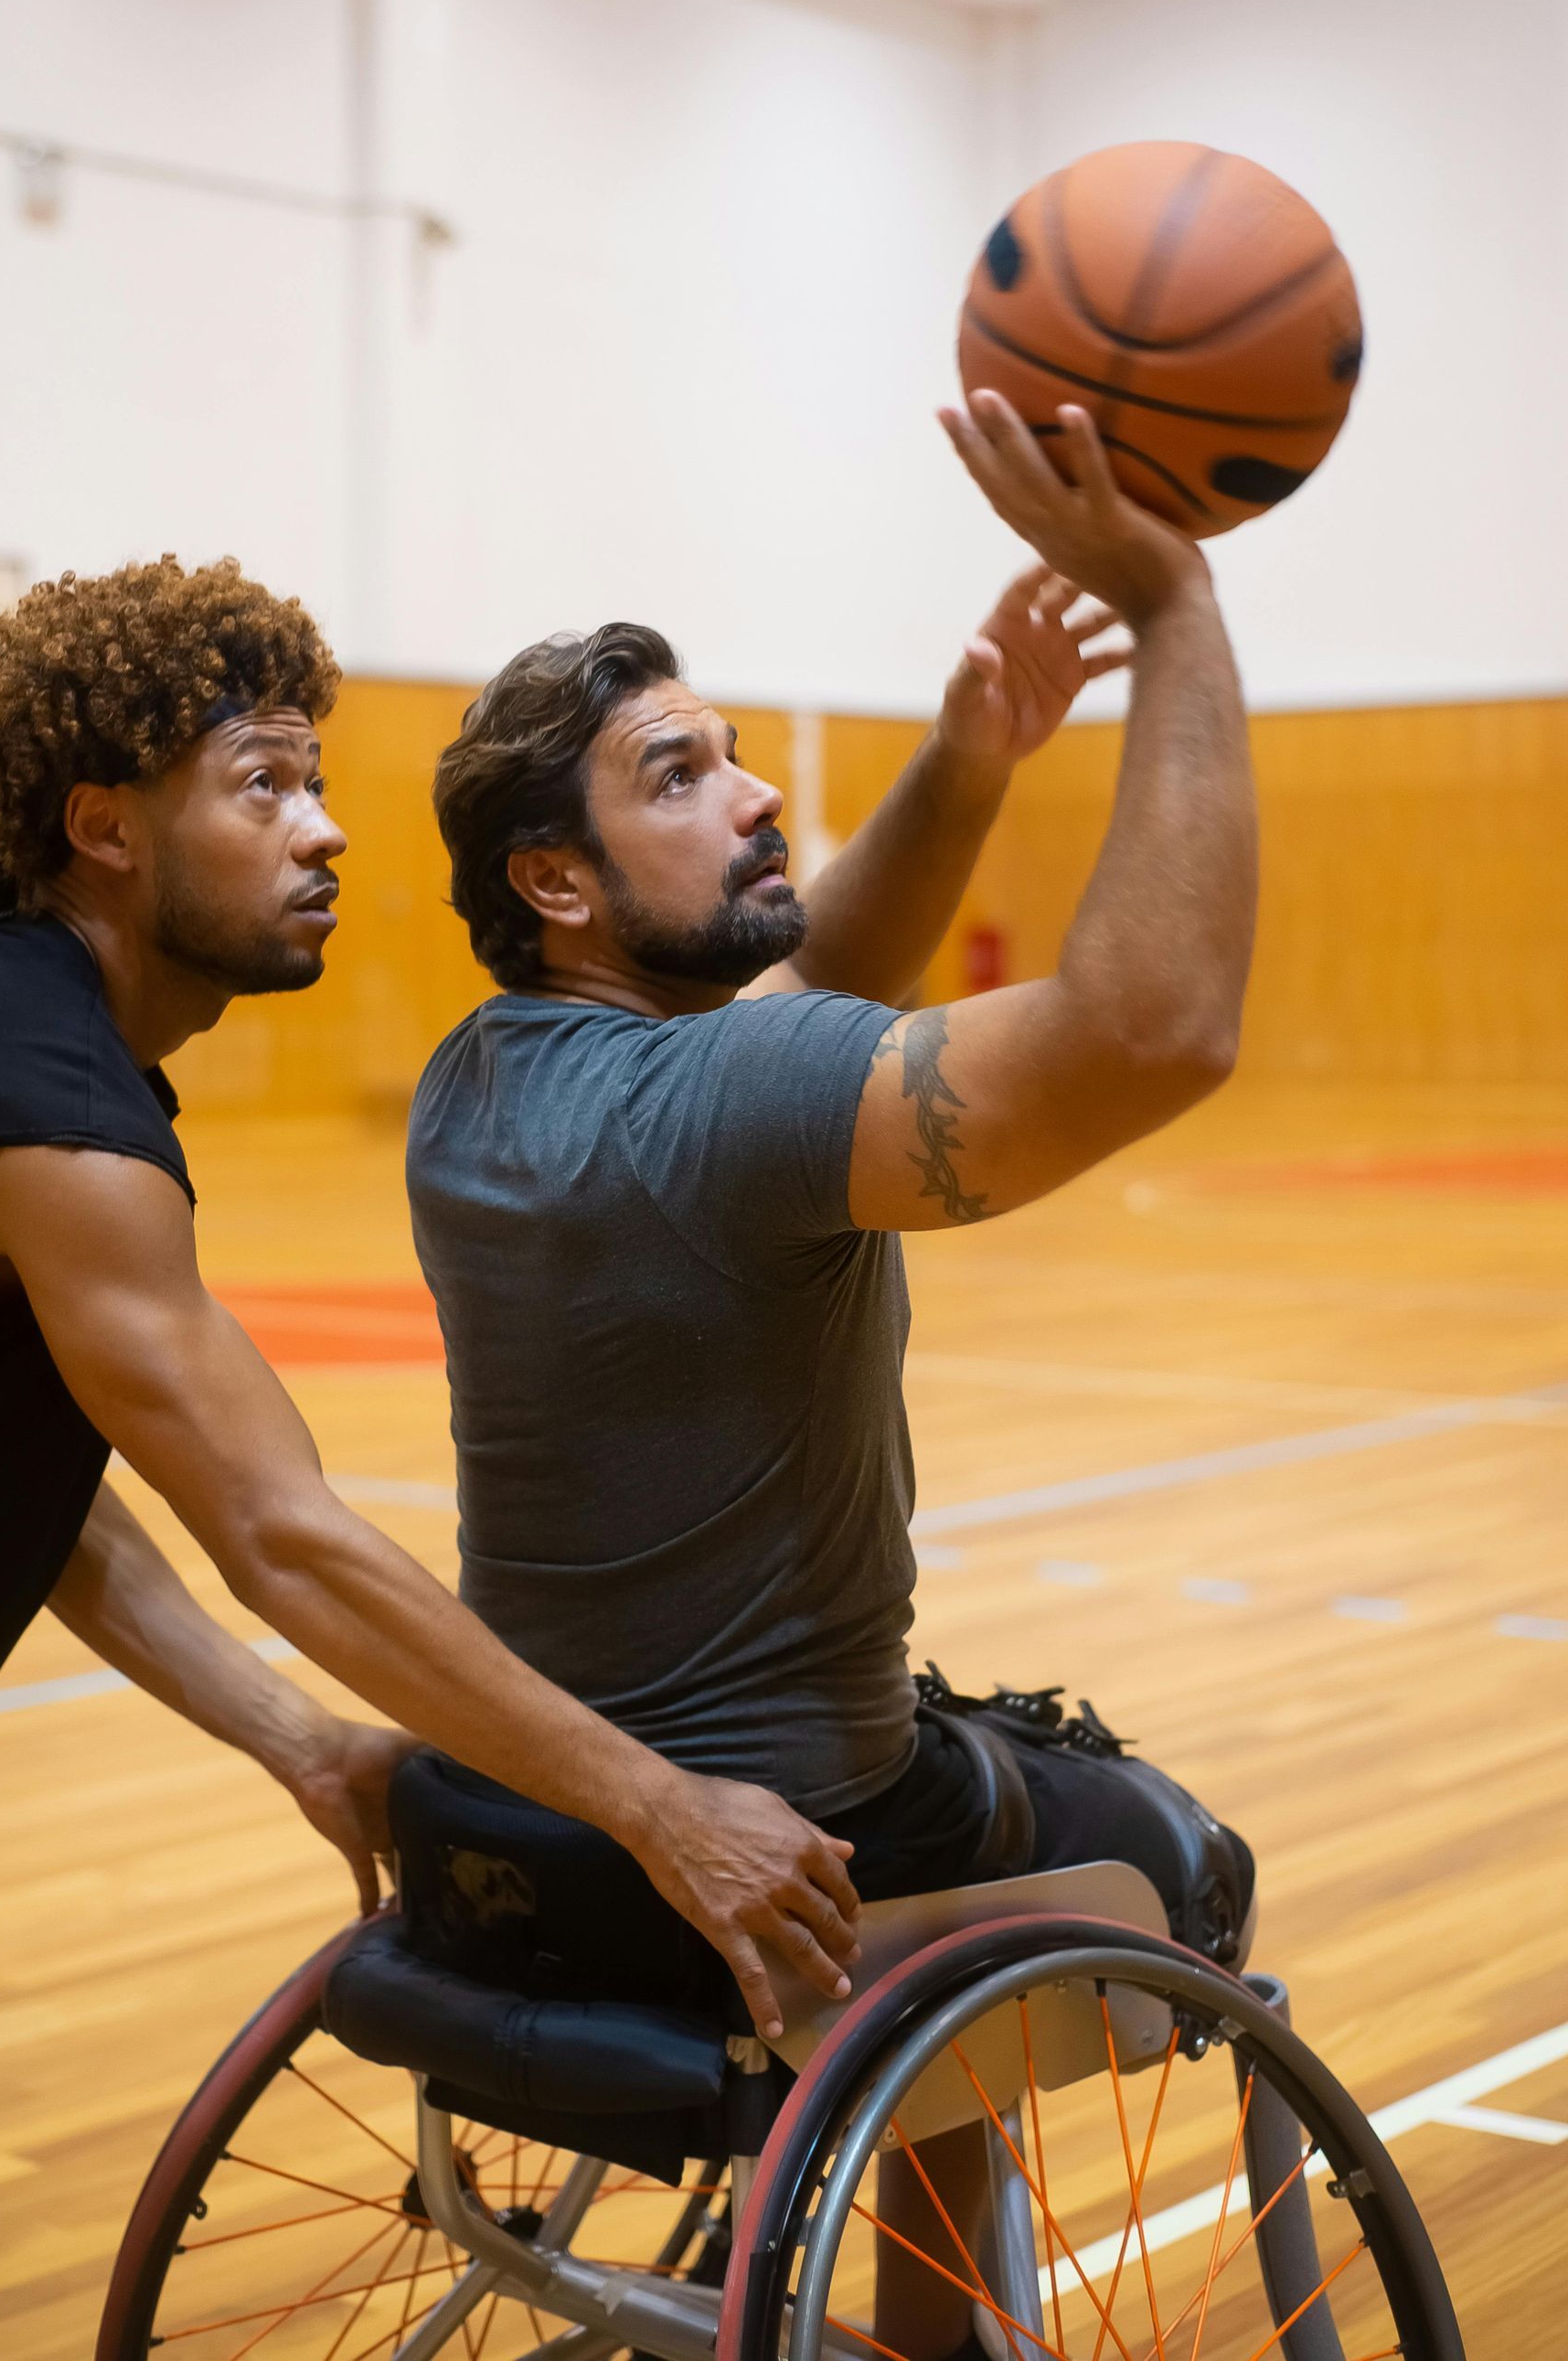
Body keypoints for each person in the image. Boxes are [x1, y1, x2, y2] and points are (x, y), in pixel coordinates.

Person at [0, 559, 859, 2361]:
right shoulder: (48, 1119)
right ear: (105, 829)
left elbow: (37, 1500)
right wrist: (659, 1805)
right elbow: (282, 1535)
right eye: (265, 785)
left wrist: (299, 1733)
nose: (326, 831)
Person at [409, 392, 1259, 2360]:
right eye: (680, 775)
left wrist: (967, 763)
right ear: (557, 877)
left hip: (526, 1827)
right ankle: (938, 2330)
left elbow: (796, 997)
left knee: (957, 1792)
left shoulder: (478, 1082)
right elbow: (1160, 1026)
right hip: (778, 1837)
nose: (756, 796)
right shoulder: (736, 1105)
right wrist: (1178, 603)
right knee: (1167, 1852)